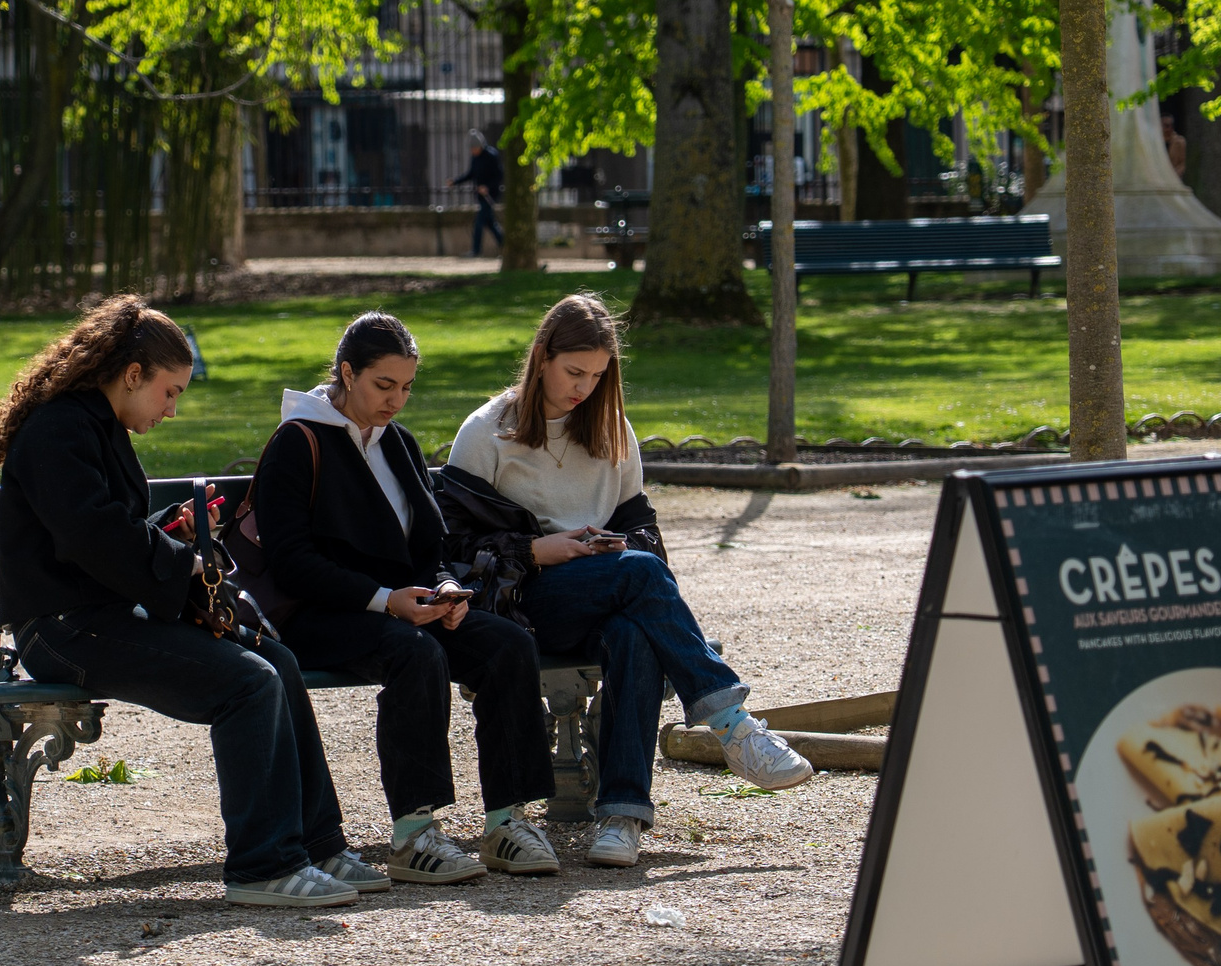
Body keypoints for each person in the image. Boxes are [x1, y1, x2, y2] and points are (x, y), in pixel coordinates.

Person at [0, 295, 377, 909]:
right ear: (132, 375)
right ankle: (263, 867)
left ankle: (317, 843)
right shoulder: (60, 429)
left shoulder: (91, 424)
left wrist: (171, 532)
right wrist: (179, 562)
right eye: (169, 392)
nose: (171, 410)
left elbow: (109, 532)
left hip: (97, 617)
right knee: (247, 684)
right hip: (62, 631)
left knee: (276, 661)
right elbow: (93, 537)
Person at [438, 293, 812, 870]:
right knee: (639, 576)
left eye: (596, 375)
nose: (583, 387)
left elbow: (645, 541)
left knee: (636, 631)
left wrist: (613, 545)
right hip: (520, 605)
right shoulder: (488, 432)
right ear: (541, 358)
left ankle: (621, 815)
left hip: (605, 594)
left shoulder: (612, 431)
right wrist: (539, 550)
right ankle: (732, 724)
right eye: (573, 372)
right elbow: (453, 553)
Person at [249, 313, 558, 884]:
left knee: (508, 644)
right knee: (415, 653)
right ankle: (414, 834)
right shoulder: (298, 442)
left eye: (407, 387)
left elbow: (430, 545)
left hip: (405, 607)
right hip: (318, 616)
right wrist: (384, 599)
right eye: (383, 386)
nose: (397, 400)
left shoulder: (399, 444)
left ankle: (506, 822)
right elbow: (293, 564)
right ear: (347, 373)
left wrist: (444, 587)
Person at [450, 130, 504, 256]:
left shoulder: (492, 156)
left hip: (491, 195)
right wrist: (455, 181)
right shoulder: (475, 158)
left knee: (479, 222)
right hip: (480, 196)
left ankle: (476, 250)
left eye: (474, 148)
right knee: (490, 223)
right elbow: (471, 174)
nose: (472, 151)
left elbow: (499, 175)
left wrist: (488, 187)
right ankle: (506, 246)